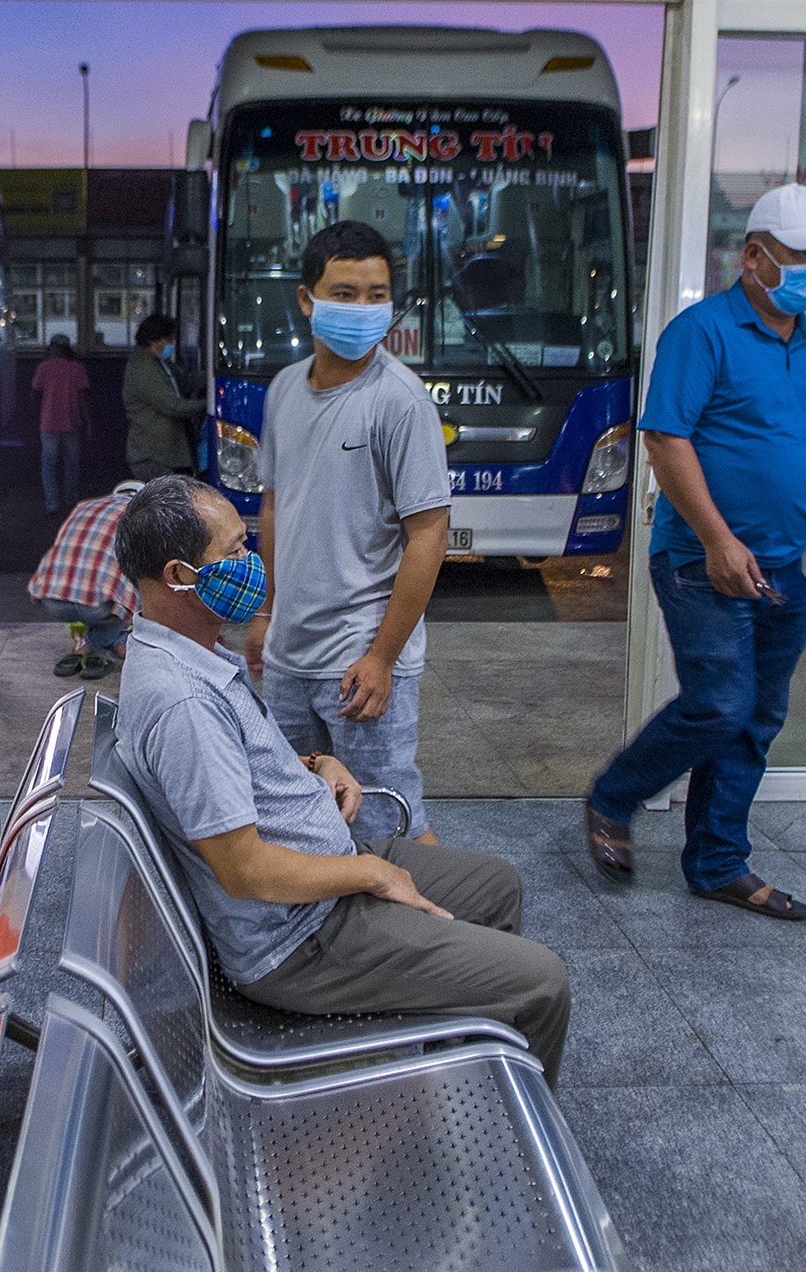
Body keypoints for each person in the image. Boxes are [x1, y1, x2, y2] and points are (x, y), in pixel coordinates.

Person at [113, 476, 569, 1086]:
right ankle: (504, 1155)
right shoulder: (183, 704)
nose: (252, 565)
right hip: (302, 938)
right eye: (233, 552)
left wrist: (315, 766)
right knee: (541, 983)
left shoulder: (191, 652)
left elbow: (227, 773)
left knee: (496, 885)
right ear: (178, 576)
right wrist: (372, 872)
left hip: (322, 872)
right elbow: (243, 871)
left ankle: (456, 1063)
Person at [584, 184, 806, 921]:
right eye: (805, 258)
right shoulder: (703, 332)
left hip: (782, 564)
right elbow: (665, 436)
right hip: (699, 560)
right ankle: (612, 796)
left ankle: (718, 860)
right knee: (720, 703)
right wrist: (719, 538)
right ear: (754, 258)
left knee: (755, 717)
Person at [245, 221, 451, 843]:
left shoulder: (401, 401)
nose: (364, 309)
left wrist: (383, 657)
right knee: (293, 819)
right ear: (308, 299)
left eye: (376, 294)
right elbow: (277, 508)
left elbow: (430, 535)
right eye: (346, 293)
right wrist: (266, 614)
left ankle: (438, 931)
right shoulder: (284, 388)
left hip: (360, 658)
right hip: (288, 657)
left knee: (388, 825)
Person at [29, 479, 142, 681]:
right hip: (95, 607)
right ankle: (89, 646)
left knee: (99, 585)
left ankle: (115, 641)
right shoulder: (142, 517)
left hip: (52, 599)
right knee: (148, 582)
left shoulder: (84, 505)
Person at [122, 313, 204, 481]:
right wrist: (210, 404)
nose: (172, 344)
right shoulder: (143, 369)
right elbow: (174, 406)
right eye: (169, 340)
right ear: (154, 340)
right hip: (153, 456)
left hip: (165, 453)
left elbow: (185, 382)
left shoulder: (158, 362)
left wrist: (213, 376)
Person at [32, 334, 91, 513]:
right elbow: (83, 398)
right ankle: (71, 500)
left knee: (48, 464)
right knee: (71, 463)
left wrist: (35, 415)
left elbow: (35, 393)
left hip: (48, 422)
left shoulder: (44, 367)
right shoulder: (77, 369)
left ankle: (52, 503)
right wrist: (88, 423)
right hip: (72, 422)